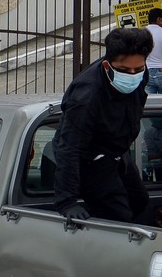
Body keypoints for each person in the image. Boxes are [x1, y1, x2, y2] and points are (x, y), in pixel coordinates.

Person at [51, 27, 153, 223]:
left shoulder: (140, 74)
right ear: (107, 66)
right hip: (90, 159)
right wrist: (67, 201)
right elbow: (69, 147)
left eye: (138, 69)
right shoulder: (86, 97)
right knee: (118, 215)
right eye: (125, 70)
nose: (132, 75)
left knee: (140, 201)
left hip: (117, 151)